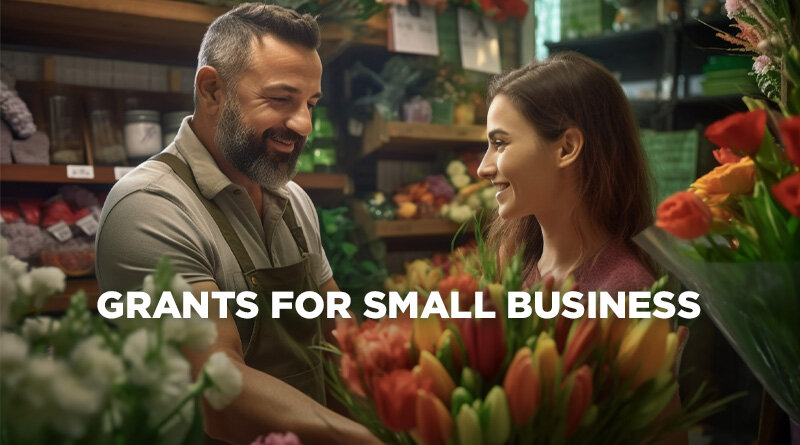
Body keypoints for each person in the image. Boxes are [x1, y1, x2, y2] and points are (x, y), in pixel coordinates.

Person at [95, 4, 380, 444]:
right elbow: (218, 389)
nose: (303, 123)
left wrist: (404, 406)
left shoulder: (293, 201)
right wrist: (362, 439)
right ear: (212, 90)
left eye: (311, 104)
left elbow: (338, 334)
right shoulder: (150, 208)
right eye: (281, 99)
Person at [477, 51, 687, 444]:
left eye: (500, 144)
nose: (484, 167)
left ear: (566, 147)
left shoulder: (624, 292)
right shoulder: (515, 266)